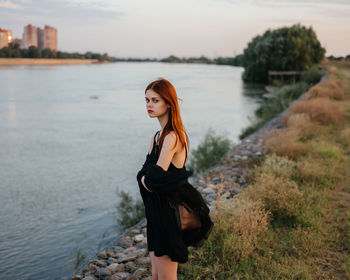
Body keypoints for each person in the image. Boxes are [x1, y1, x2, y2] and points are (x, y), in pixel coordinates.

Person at [136, 78, 213, 280]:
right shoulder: (156, 136)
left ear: (168, 103)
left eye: (155, 100)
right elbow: (146, 173)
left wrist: (144, 180)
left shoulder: (173, 137)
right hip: (154, 214)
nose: (149, 105)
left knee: (166, 278)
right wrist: (145, 178)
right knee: (155, 276)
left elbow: (154, 179)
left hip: (168, 216)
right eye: (146, 100)